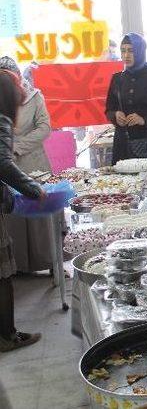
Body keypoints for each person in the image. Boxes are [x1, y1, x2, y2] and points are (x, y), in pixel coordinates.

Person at [0, 57, 58, 274]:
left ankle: (48, 262)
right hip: (7, 165)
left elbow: (44, 127)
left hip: (33, 161)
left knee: (40, 220)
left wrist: (17, 147)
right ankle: (20, 266)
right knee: (14, 217)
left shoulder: (34, 96)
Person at [0, 69, 44, 352]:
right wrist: (32, 188)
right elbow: (2, 163)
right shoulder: (1, 119)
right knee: (3, 274)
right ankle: (7, 336)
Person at [105, 33, 147, 165]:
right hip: (122, 145)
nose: (126, 55)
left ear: (140, 51)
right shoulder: (117, 79)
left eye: (131, 50)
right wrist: (115, 115)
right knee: (123, 184)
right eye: (123, 51)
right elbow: (108, 110)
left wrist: (144, 120)